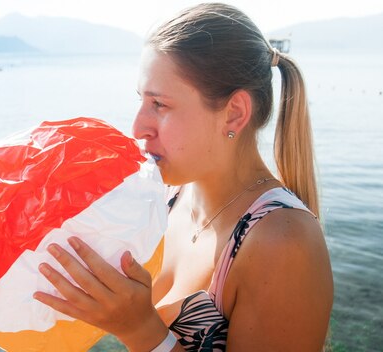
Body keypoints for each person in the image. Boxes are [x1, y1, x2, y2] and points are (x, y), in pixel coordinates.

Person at [33, 2, 333, 351]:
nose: (137, 127)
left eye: (159, 105)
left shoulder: (283, 243)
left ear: (234, 114)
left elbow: (143, 332)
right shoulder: (165, 199)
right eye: (142, 101)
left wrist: (141, 330)